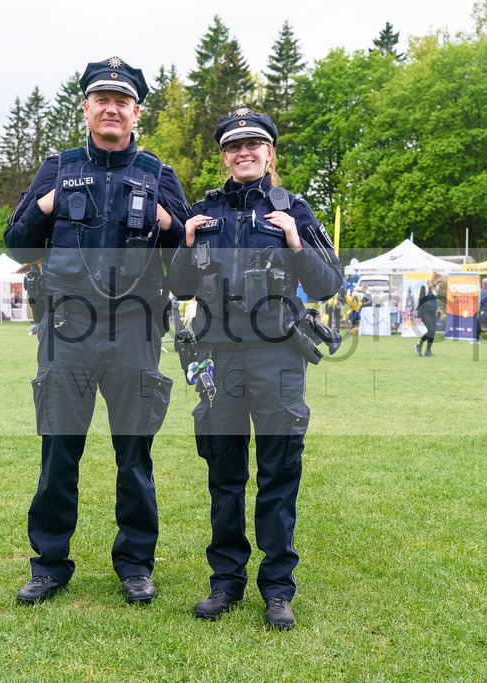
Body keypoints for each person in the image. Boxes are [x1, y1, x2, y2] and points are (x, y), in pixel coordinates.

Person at [3, 57, 190, 608]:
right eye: (101, 98)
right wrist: (45, 204)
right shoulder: (56, 169)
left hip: (136, 329)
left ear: (137, 112)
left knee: (134, 454)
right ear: (86, 107)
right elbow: (17, 246)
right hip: (67, 328)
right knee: (60, 450)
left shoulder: (159, 174)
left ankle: (135, 563)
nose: (112, 107)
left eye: (123, 100)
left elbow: (187, 260)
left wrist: (170, 224)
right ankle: (50, 564)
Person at [166, 108, 342, 630]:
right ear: (224, 155)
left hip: (277, 357)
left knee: (278, 470)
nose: (244, 152)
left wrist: (294, 242)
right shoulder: (204, 213)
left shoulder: (295, 210)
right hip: (217, 356)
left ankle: (277, 588)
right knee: (224, 472)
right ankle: (225, 582)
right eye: (234, 146)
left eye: (254, 144)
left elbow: (330, 282)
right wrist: (187, 243)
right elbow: (179, 287)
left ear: (268, 153)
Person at [415, 272, 442, 357]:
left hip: (432, 311)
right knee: (430, 329)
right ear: (433, 279)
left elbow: (435, 300)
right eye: (438, 282)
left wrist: (438, 309)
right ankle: (419, 345)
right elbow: (421, 302)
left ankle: (428, 351)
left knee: (433, 331)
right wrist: (419, 316)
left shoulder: (436, 287)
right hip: (425, 311)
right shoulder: (424, 287)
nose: (439, 284)